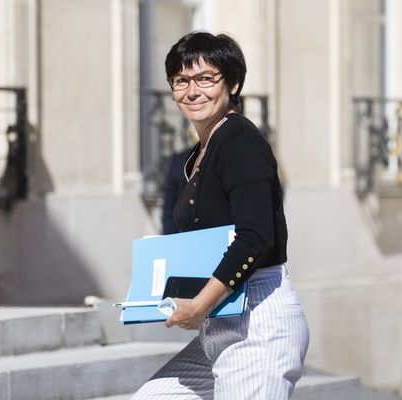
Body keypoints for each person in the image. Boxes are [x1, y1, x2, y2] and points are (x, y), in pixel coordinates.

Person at [133, 31, 309, 400]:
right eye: (181, 81)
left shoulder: (239, 140)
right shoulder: (198, 153)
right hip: (221, 320)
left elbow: (254, 237)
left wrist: (199, 305)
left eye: (205, 79)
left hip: (257, 319)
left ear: (233, 84)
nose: (192, 91)